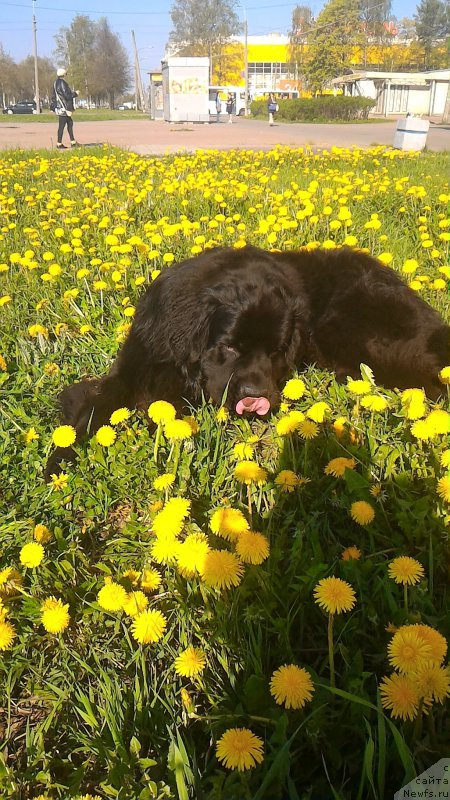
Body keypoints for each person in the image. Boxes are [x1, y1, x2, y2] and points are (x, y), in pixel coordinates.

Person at [51, 68, 79, 149]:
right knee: (63, 125)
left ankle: (72, 142)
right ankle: (59, 143)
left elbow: (53, 96)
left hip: (60, 107)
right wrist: (75, 94)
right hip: (64, 108)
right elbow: (67, 96)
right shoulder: (63, 83)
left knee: (69, 123)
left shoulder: (55, 83)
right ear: (64, 75)